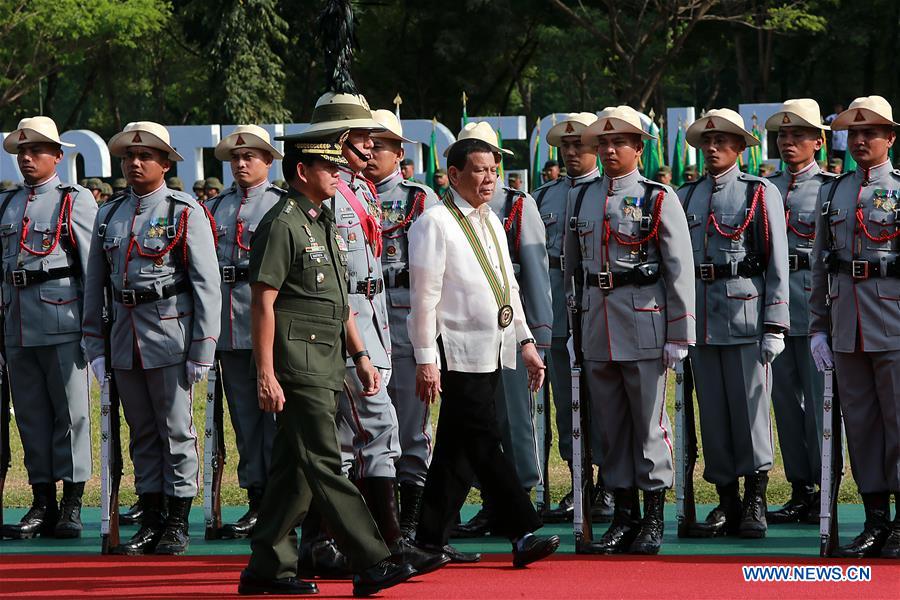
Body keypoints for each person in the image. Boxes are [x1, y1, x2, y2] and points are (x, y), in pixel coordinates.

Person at [236, 127, 417, 597]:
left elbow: (340, 298)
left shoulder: (320, 220)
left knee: (293, 470)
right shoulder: (281, 224)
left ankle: (266, 567)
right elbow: (263, 304)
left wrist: (359, 353)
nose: (339, 174)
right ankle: (373, 559)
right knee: (323, 462)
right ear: (302, 171)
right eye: (328, 167)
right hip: (297, 364)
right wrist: (265, 374)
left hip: (328, 360)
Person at [295, 92, 447, 578]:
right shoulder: (326, 191)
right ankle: (388, 545)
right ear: (338, 140)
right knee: (376, 430)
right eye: (361, 136)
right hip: (346, 329)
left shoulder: (358, 189)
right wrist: (356, 344)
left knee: (348, 441)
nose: (370, 144)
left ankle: (323, 545)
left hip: (375, 319)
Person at [408, 135, 560, 567]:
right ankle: (522, 527)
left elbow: (506, 288)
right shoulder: (435, 222)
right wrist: (425, 359)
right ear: (454, 175)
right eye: (479, 170)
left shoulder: (492, 219)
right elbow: (424, 298)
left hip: (494, 348)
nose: (490, 178)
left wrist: (526, 342)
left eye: (494, 169)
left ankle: (428, 540)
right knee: (483, 439)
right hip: (456, 351)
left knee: (457, 447)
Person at [82, 121, 221, 555]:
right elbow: (94, 284)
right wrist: (93, 342)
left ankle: (178, 521)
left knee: (175, 430)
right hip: (124, 337)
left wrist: (203, 346)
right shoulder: (109, 214)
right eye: (129, 157)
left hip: (170, 334)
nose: (135, 163)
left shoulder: (184, 211)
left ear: (165, 163)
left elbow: (205, 284)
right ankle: (152, 516)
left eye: (145, 156)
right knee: (141, 432)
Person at [563, 106, 695, 554]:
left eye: (619, 142)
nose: (609, 149)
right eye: (602, 142)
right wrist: (570, 326)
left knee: (648, 425)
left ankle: (653, 516)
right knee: (610, 427)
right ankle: (623, 513)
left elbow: (679, 268)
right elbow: (573, 268)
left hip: (644, 322)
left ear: (639, 148)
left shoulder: (658, 197)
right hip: (597, 325)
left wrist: (679, 332)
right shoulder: (583, 198)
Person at [677, 108, 789, 540]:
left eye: (722, 141)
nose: (712, 148)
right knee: (714, 414)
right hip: (701, 320)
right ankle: (726, 497)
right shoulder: (687, 196)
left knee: (751, 411)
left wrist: (776, 323)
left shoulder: (758, 193)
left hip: (745, 315)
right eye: (707, 142)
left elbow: (777, 260)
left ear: (741, 147)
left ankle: (755, 495)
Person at [451, 122, 554, 538]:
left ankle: (520, 495)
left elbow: (533, 273)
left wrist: (538, 335)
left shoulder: (515, 205)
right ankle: (493, 501)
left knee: (514, 419)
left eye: (492, 165)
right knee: (481, 418)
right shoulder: (448, 211)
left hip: (510, 330)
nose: (488, 175)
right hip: (469, 334)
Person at [809, 96, 900, 559]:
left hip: (894, 323)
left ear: (891, 139)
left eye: (870, 133)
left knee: (898, 423)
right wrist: (817, 326)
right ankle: (875, 520)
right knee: (861, 426)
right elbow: (820, 264)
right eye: (853, 133)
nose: (860, 140)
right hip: (847, 325)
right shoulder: (834, 191)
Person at [0, 117, 97, 540]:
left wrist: (95, 329)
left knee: (70, 417)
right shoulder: (7, 204)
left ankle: (72, 503)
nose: (27, 157)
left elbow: (93, 270)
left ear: (58, 156)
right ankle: (42, 502)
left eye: (37, 150)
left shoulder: (74, 200)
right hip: (16, 324)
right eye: (22, 151)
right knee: (32, 419)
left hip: (64, 322)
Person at [205, 125, 287, 539]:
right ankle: (257, 498)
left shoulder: (282, 205)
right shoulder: (215, 207)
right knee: (245, 420)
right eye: (235, 158)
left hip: (272, 329)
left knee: (278, 418)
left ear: (268, 162)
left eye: (249, 157)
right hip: (229, 330)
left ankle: (282, 501)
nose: (240, 164)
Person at [364, 109, 441, 543]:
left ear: (399, 153)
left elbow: (433, 273)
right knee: (368, 426)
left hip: (404, 317)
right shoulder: (346, 195)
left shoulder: (419, 199)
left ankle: (409, 520)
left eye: (381, 145)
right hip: (364, 319)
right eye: (366, 144)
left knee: (410, 427)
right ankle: (377, 519)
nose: (371, 152)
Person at [762, 99, 834, 525]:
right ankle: (799, 487)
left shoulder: (830, 187)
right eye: (783, 136)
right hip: (773, 310)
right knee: (785, 404)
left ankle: (827, 484)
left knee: (822, 404)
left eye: (798, 136)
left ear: (818, 142)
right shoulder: (765, 188)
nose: (788, 143)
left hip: (813, 307)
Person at [532, 112, 605, 524]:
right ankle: (580, 482)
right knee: (565, 405)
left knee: (603, 404)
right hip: (558, 314)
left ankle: (610, 485)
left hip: (599, 312)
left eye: (580, 144)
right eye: (566, 146)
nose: (573, 152)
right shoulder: (543, 197)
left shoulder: (607, 192)